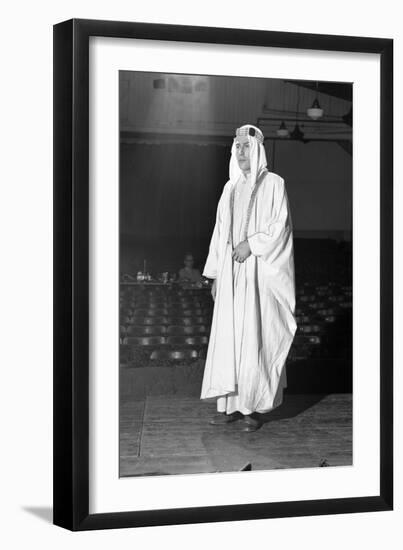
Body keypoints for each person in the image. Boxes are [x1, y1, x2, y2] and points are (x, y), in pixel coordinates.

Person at [200, 124, 297, 432]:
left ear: (257, 149)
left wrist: (250, 245)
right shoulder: (229, 188)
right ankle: (229, 405)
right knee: (230, 339)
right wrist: (215, 275)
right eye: (237, 147)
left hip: (258, 275)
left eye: (246, 146)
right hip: (231, 278)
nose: (240, 152)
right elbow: (219, 234)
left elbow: (279, 228)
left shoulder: (273, 184)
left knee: (253, 338)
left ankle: (251, 409)